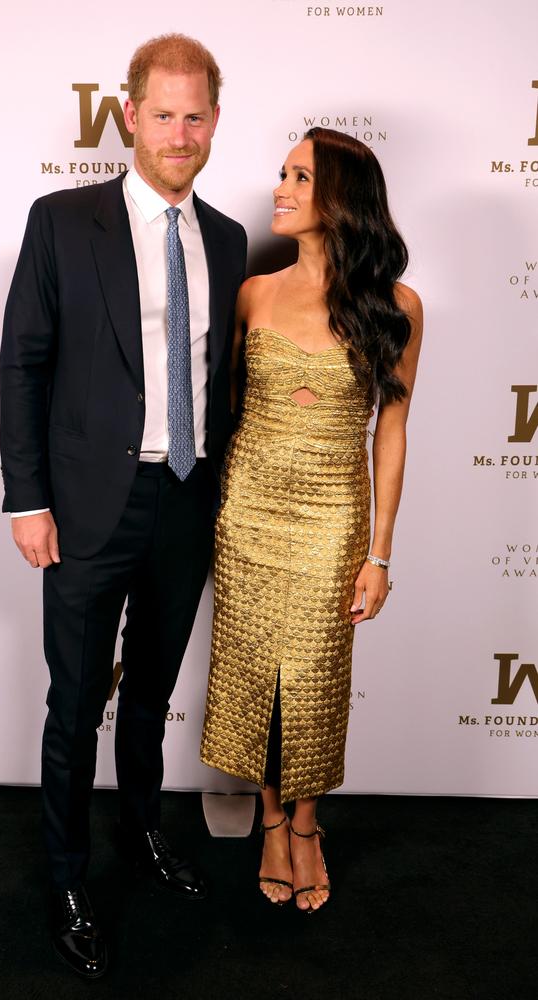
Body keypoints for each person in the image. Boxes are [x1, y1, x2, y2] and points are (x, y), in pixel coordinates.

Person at [0, 34, 246, 978]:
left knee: (148, 697)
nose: (179, 134)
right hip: (86, 508)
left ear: (214, 122)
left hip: (186, 501)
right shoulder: (63, 222)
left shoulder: (224, 238)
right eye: (163, 113)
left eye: (196, 116)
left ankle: (143, 834)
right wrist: (29, 499)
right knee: (75, 707)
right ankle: (68, 876)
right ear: (129, 115)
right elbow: (23, 364)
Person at [200, 127, 422, 913]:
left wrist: (381, 553)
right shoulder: (254, 291)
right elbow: (220, 409)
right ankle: (268, 818)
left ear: (341, 199)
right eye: (282, 173)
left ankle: (307, 822)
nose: (280, 189)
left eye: (300, 176)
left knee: (316, 680)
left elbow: (390, 431)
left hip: (333, 514)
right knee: (256, 672)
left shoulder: (396, 306)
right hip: (249, 509)